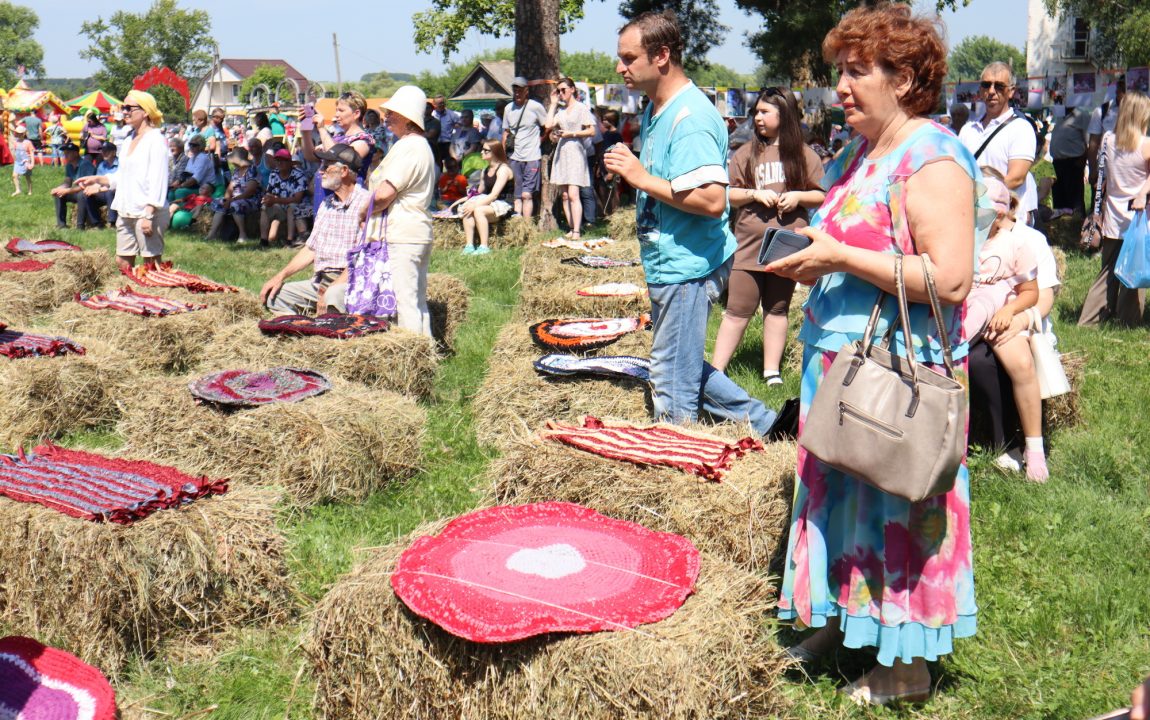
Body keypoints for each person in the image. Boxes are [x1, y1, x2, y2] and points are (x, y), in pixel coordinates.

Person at [764, 4, 990, 705]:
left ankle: (906, 670)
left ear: (906, 78)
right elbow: (861, 238)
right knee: (843, 510)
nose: (842, 86)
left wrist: (840, 257)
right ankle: (843, 622)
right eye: (840, 72)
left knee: (893, 515)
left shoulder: (933, 157)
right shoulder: (863, 152)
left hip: (896, 383)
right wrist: (816, 251)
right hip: (842, 372)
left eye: (858, 72)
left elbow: (950, 280)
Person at [603, 10, 776, 437]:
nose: (619, 67)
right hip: (670, 263)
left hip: (688, 268)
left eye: (628, 58)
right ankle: (772, 426)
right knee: (679, 364)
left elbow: (714, 200)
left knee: (672, 387)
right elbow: (674, 181)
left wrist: (641, 177)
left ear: (661, 55)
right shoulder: (656, 108)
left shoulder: (691, 117)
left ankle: (675, 467)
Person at [712, 87, 826, 384]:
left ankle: (771, 371)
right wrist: (752, 193)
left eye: (765, 112)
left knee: (777, 308)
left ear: (783, 114)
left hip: (786, 245)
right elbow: (727, 194)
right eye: (757, 112)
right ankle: (715, 371)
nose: (758, 118)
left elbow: (822, 195)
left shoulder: (804, 155)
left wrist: (799, 196)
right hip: (748, 245)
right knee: (738, 309)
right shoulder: (745, 153)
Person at [960, 173, 1047, 480]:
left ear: (1004, 211)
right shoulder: (961, 238)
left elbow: (1031, 292)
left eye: (989, 214)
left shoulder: (1016, 243)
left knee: (1022, 364)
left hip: (1001, 314)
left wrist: (1010, 311)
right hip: (966, 313)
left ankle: (1034, 447)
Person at [259, 143, 372, 315]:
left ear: (344, 171)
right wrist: (280, 276)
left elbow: (362, 258)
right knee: (274, 296)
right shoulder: (326, 204)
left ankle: (327, 327)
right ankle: (303, 331)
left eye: (327, 166)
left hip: (351, 281)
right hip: (321, 282)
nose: (320, 171)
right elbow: (312, 248)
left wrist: (331, 290)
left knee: (333, 299)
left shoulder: (366, 203)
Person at [358, 86, 436, 334]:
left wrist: (363, 212)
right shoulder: (420, 146)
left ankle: (413, 358)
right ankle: (427, 355)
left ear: (407, 116)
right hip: (416, 230)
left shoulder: (409, 147)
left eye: (392, 112)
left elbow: (384, 194)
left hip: (404, 232)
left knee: (406, 303)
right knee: (416, 302)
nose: (387, 117)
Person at [76, 91, 171, 273]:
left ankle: (150, 299)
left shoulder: (156, 140)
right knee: (122, 262)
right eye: (123, 107)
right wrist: (99, 180)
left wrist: (148, 215)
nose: (124, 112)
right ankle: (130, 297)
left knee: (150, 264)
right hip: (126, 208)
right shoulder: (128, 139)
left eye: (129, 108)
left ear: (145, 112)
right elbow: (123, 175)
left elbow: (159, 179)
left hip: (146, 212)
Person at [1078, 90, 1150, 327]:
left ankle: (1090, 318)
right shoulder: (1146, 144)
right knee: (1134, 269)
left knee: (1107, 271)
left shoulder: (1108, 139)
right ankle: (1129, 320)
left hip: (1113, 214)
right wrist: (1142, 192)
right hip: (1138, 217)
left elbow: (1103, 177)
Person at [959, 62, 1038, 223]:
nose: (992, 91)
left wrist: (979, 200)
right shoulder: (967, 130)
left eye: (999, 86)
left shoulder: (1021, 128)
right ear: (980, 90)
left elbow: (1016, 178)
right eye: (986, 85)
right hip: (973, 220)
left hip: (1007, 221)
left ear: (1011, 92)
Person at [301, 90, 375, 211]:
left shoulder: (364, 140)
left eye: (341, 110)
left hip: (346, 201)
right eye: (336, 110)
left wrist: (321, 129)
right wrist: (305, 129)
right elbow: (310, 156)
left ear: (356, 113)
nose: (336, 115)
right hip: (325, 195)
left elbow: (339, 158)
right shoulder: (337, 138)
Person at [545, 77, 595, 240]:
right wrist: (553, 104)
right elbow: (548, 125)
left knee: (574, 193)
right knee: (565, 195)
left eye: (563, 90)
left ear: (572, 89)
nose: (561, 93)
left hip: (575, 150)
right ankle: (572, 226)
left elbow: (591, 131)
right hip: (562, 151)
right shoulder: (560, 111)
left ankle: (577, 231)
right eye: (558, 91)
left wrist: (572, 133)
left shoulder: (581, 108)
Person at [502, 76, 547, 218]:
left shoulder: (535, 107)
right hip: (514, 157)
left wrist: (541, 140)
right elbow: (505, 132)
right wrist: (504, 156)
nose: (517, 93)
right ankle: (518, 222)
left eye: (520, 90)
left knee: (527, 194)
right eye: (515, 89)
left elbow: (547, 126)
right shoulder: (508, 108)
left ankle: (527, 224)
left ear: (526, 91)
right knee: (517, 194)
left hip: (532, 156)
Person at [459, 139, 513, 254]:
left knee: (478, 210)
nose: (482, 152)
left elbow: (494, 195)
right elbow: (479, 192)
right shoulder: (485, 170)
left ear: (494, 152)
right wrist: (467, 200)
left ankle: (484, 247)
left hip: (503, 204)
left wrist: (475, 205)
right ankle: (469, 245)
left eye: (486, 150)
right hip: (489, 202)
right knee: (467, 207)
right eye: (482, 149)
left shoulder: (503, 170)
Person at [206, 148, 263, 244]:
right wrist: (226, 199)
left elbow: (250, 191)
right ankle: (212, 233)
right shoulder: (237, 171)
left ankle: (243, 234)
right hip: (235, 198)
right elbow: (230, 188)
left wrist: (231, 200)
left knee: (236, 205)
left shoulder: (252, 170)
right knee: (219, 203)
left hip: (251, 199)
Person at [261, 148, 311, 247]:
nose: (279, 162)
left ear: (289, 162)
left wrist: (275, 200)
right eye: (277, 160)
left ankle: (289, 240)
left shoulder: (299, 175)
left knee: (291, 206)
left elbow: (297, 199)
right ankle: (263, 241)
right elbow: (269, 192)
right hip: (280, 205)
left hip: (296, 206)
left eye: (283, 160)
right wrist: (267, 199)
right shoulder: (274, 173)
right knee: (264, 207)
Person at [1048, 104, 1090, 218]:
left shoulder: (1082, 115)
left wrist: (1082, 161)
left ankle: (1077, 225)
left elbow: (1089, 143)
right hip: (1057, 162)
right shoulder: (1060, 115)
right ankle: (1061, 226)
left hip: (1073, 163)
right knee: (1059, 197)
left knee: (1074, 200)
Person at [1088, 76, 1125, 203]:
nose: (1120, 90)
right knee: (1098, 216)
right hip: (1105, 175)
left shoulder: (1142, 111)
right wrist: (1093, 170)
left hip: (1132, 177)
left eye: (1124, 87)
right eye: (1120, 86)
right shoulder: (1102, 111)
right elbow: (1093, 144)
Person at [50, 142, 95, 228]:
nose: (65, 155)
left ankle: (80, 226)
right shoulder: (69, 166)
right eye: (64, 153)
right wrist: (59, 189)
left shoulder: (85, 164)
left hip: (91, 191)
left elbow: (86, 186)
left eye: (68, 153)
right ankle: (61, 224)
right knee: (59, 194)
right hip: (79, 190)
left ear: (75, 153)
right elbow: (67, 182)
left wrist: (66, 190)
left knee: (81, 195)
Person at [81, 142, 120, 229]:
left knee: (110, 192)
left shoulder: (121, 164)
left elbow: (117, 184)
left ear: (114, 152)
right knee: (86, 194)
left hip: (116, 192)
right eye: (103, 151)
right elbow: (98, 183)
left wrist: (99, 189)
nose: (104, 153)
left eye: (107, 151)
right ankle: (96, 223)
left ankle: (112, 222)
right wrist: (90, 188)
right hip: (102, 191)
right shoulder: (101, 165)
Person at [432, 94, 459, 170]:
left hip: (448, 144)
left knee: (450, 164)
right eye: (439, 103)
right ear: (434, 105)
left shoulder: (451, 114)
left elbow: (459, 125)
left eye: (442, 103)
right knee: (437, 165)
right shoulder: (432, 115)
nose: (441, 105)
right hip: (436, 144)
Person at [9, 123, 34, 195]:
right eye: (17, 133)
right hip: (18, 162)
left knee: (27, 177)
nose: (18, 135)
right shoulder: (16, 142)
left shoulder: (28, 142)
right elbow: (15, 151)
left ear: (23, 134)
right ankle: (18, 190)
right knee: (14, 175)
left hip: (26, 162)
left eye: (19, 133)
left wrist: (32, 163)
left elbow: (31, 153)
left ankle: (30, 191)